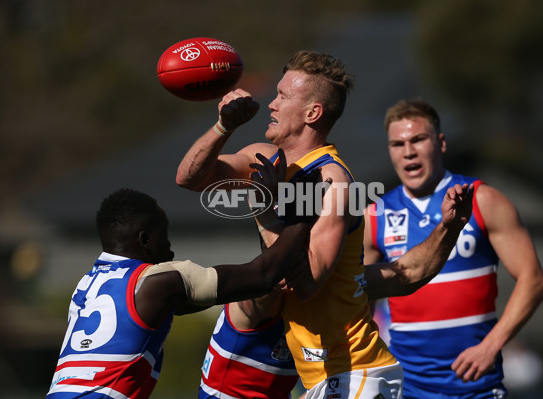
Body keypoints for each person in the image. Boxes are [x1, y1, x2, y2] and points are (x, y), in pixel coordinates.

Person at [177, 50, 405, 398]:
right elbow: (190, 179)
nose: (271, 104)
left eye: (283, 96)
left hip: (355, 369)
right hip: (322, 375)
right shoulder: (267, 159)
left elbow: (309, 283)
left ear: (313, 113)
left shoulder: (333, 181)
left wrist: (264, 210)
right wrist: (224, 127)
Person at [197, 152, 475, 399]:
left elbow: (407, 274)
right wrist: (265, 211)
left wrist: (448, 229)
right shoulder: (256, 298)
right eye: (327, 228)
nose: (333, 236)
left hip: (362, 375)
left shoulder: (330, 288)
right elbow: (277, 276)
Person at [46, 188, 314, 399]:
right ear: (145, 240)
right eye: (165, 234)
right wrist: (305, 213)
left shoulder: (85, 287)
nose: (171, 246)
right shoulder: (159, 283)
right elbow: (263, 275)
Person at [363, 99, 543, 398]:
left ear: (441, 143)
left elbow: (534, 280)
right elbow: (361, 302)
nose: (408, 150)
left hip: (477, 385)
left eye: (418, 139)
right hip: (407, 386)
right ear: (390, 152)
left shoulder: (482, 199)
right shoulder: (375, 216)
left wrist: (490, 346)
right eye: (398, 144)